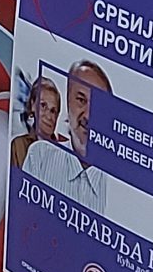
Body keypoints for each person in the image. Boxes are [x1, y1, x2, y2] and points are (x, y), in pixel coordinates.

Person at [23, 62, 111, 213]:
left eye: (99, 105)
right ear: (68, 102)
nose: (88, 115)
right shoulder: (40, 157)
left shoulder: (120, 185)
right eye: (81, 100)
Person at [11, 72, 62, 172]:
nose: (49, 116)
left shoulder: (64, 152)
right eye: (43, 106)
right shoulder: (19, 145)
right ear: (33, 105)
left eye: (53, 111)